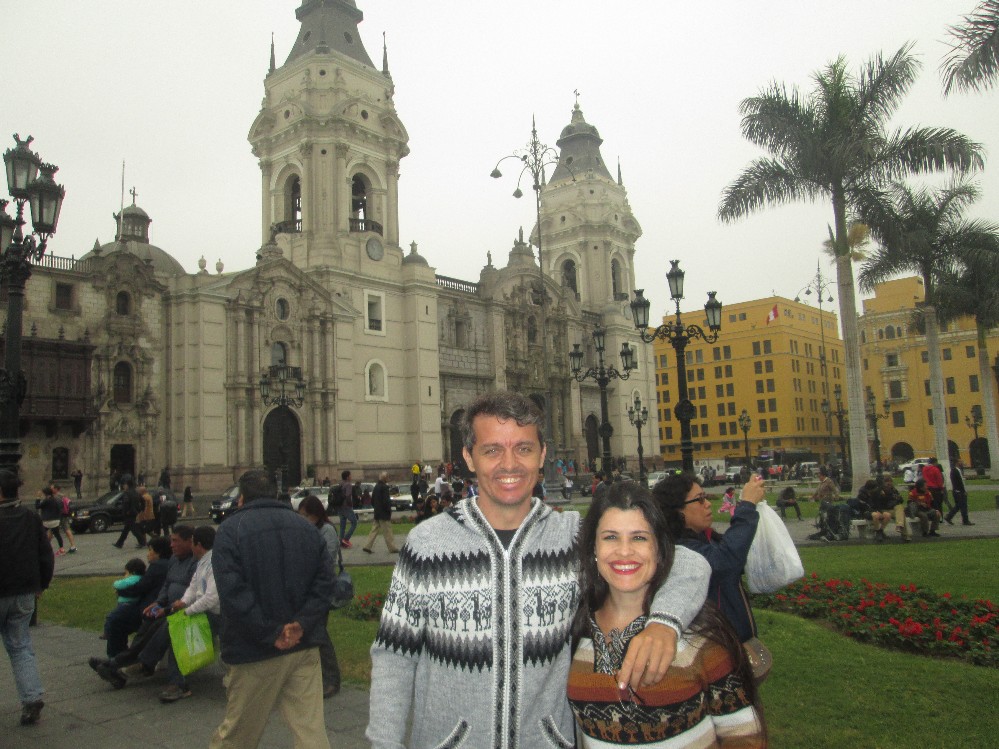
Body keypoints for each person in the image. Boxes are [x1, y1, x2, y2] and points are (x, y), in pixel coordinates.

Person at [367, 390, 710, 749]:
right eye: (492, 450)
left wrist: (664, 624)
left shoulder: (574, 539)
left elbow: (687, 562)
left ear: (542, 454)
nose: (509, 464)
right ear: (468, 456)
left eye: (524, 448)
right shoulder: (427, 544)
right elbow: (394, 655)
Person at [568, 481, 765, 747]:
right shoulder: (577, 628)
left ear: (659, 547)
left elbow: (745, 737)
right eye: (610, 537)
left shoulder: (700, 634)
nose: (624, 551)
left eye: (639, 537)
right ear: (593, 547)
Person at [209, 470, 334, 749]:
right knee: (311, 735)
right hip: (303, 646)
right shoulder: (305, 527)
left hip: (255, 651)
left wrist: (272, 632)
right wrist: (301, 624)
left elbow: (233, 593)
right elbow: (325, 583)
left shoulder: (231, 530)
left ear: (242, 498)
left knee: (238, 736)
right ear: (276, 494)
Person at [654, 473, 765, 643]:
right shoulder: (681, 550)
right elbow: (724, 561)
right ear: (677, 509)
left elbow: (733, 557)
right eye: (700, 499)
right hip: (716, 646)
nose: (708, 504)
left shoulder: (705, 537)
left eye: (705, 497)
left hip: (733, 642)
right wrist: (747, 506)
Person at [92, 527, 197, 687]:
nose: (172, 545)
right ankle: (121, 663)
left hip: (181, 609)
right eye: (171, 541)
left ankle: (119, 664)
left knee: (159, 625)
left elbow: (191, 593)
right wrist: (158, 602)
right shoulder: (174, 561)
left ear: (189, 542)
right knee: (148, 620)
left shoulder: (195, 562)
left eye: (176, 541)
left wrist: (167, 608)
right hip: (166, 605)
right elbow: (167, 585)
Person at [0, 469, 54, 726]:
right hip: (24, 593)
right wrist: (41, 584)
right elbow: (46, 554)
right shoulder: (30, 517)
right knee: (21, 646)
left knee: (20, 645)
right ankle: (31, 698)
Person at [159, 525, 220, 703]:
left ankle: (177, 683)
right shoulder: (202, 562)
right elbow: (193, 587)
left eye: (192, 543)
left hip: (218, 616)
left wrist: (187, 611)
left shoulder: (214, 564)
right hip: (204, 611)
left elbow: (211, 599)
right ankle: (146, 661)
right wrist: (184, 602)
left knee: (178, 631)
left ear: (198, 545)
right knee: (171, 626)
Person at [298, 494, 343, 698]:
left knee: (319, 634)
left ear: (316, 515)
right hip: (307, 588)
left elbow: (328, 560)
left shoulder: (327, 531)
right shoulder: (305, 531)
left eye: (306, 515)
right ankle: (316, 675)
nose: (303, 519)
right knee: (314, 632)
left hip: (322, 589)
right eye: (301, 515)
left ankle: (332, 679)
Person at [101, 536, 172, 657]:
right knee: (119, 619)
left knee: (116, 620)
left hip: (149, 608)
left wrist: (121, 592)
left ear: (159, 552)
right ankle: (119, 656)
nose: (148, 554)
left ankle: (116, 657)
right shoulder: (168, 564)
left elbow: (140, 587)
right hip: (155, 606)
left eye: (150, 550)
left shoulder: (158, 566)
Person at [103, 558, 147, 640]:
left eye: (126, 572)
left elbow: (119, 584)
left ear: (132, 571)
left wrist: (116, 583)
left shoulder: (134, 578)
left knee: (111, 617)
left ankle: (107, 633)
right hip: (131, 604)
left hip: (126, 604)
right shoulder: (142, 578)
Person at [362, 472, 399, 554]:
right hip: (384, 513)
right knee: (388, 531)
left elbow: (372, 500)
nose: (388, 479)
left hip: (377, 512)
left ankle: (367, 546)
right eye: (388, 477)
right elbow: (386, 501)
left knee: (374, 530)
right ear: (385, 478)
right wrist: (388, 510)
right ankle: (392, 548)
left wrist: (376, 508)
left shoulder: (376, 486)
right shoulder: (384, 487)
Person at [113, 475, 147, 549]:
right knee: (126, 530)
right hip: (135, 512)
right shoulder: (136, 492)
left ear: (127, 485)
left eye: (124, 485)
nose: (123, 486)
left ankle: (143, 542)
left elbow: (126, 504)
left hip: (130, 514)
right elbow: (143, 501)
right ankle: (119, 543)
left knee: (135, 530)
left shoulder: (127, 493)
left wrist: (125, 512)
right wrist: (141, 510)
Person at [38, 487, 67, 556]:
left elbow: (37, 506)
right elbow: (59, 509)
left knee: (40, 534)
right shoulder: (55, 500)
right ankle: (61, 549)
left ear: (45, 494)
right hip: (55, 520)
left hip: (47, 521)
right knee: (57, 535)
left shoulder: (46, 500)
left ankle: (42, 549)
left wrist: (38, 498)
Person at [945, 459, 974, 526]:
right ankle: (965, 520)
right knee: (963, 506)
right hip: (959, 491)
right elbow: (959, 482)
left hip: (957, 491)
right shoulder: (955, 470)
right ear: (957, 462)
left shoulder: (957, 470)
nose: (962, 462)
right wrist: (963, 491)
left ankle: (949, 517)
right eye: (960, 461)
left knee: (958, 506)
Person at [51, 483, 78, 553]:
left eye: (52, 488)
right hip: (64, 515)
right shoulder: (63, 496)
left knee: (51, 530)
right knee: (67, 529)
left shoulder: (55, 497)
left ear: (56, 489)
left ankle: (45, 547)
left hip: (58, 515)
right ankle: (73, 546)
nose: (50, 489)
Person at [336, 469, 358, 548]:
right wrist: (351, 504)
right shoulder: (348, 485)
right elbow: (348, 496)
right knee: (354, 522)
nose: (351, 477)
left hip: (339, 506)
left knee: (342, 525)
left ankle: (341, 541)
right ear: (347, 477)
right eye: (350, 475)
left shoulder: (340, 484)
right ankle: (346, 538)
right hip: (346, 507)